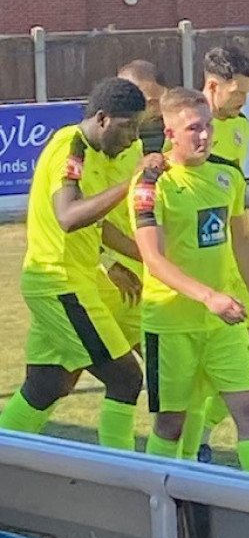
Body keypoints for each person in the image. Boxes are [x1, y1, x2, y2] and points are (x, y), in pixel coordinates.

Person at [0, 78, 155, 450]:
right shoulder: (71, 148)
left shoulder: (105, 155)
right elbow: (69, 216)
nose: (134, 138)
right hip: (59, 283)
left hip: (82, 279)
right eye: (128, 126)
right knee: (125, 379)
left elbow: (98, 227)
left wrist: (151, 258)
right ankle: (122, 476)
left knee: (47, 385)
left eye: (138, 127)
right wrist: (130, 184)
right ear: (102, 119)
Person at [130, 87, 249, 475]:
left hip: (222, 323)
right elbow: (153, 258)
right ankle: (158, 504)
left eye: (208, 126)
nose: (205, 136)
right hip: (171, 324)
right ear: (170, 133)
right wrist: (208, 296)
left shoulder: (227, 173)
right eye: (194, 128)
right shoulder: (151, 185)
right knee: (170, 424)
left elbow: (242, 240)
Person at [180, 46, 249, 464]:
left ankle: (199, 436)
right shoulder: (185, 128)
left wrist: (244, 229)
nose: (243, 102)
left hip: (231, 257)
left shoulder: (242, 128)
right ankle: (188, 447)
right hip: (197, 268)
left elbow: (231, 195)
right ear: (213, 85)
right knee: (199, 375)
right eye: (238, 93)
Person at [97, 61, 168, 355]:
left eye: (155, 101)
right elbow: (76, 217)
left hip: (137, 277)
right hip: (107, 278)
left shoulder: (135, 145)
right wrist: (108, 263)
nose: (152, 108)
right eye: (147, 100)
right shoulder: (96, 149)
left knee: (152, 369)